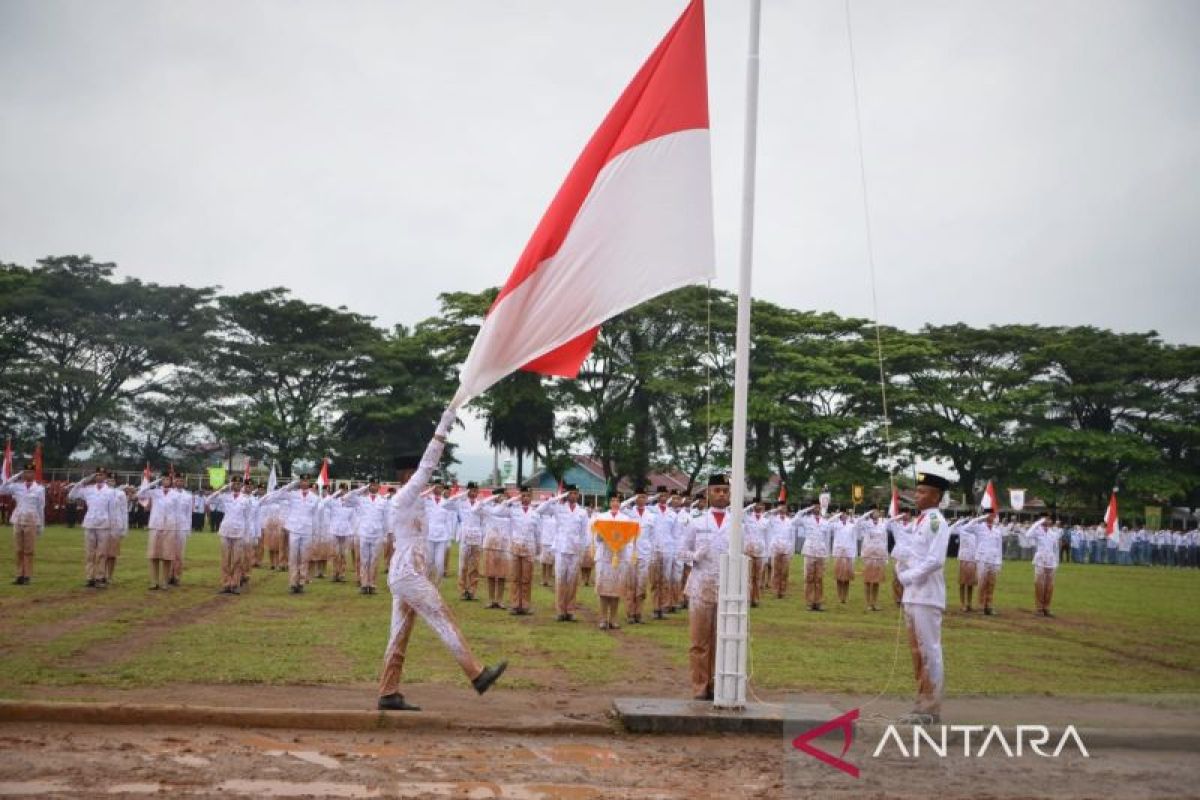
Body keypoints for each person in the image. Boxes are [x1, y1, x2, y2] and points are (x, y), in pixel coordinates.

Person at [376, 407, 507, 711]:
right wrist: (444, 425)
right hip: (408, 573)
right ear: (407, 476)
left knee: (399, 634)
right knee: (441, 617)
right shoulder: (404, 497)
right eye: (416, 475)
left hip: (407, 571)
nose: (423, 478)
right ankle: (477, 674)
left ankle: (388, 691)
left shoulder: (414, 500)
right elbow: (427, 465)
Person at [894, 470, 952, 725]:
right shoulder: (920, 522)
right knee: (918, 652)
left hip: (927, 596)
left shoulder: (937, 522)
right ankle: (922, 704)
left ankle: (930, 708)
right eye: (917, 491)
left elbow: (935, 560)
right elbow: (912, 555)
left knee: (929, 651)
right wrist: (901, 565)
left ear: (936, 496)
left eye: (923, 492)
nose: (917, 496)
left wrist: (909, 577)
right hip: (914, 595)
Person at [678, 473, 732, 701]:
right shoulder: (697, 522)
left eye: (725, 490)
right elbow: (681, 552)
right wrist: (694, 556)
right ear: (709, 493)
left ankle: (719, 684)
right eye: (717, 490)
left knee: (724, 639)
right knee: (699, 640)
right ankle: (700, 685)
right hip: (701, 585)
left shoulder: (736, 523)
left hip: (727, 586)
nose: (721, 494)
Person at [261, 473, 321, 594]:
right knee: (293, 556)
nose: (304, 483)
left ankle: (302, 582)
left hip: (307, 530)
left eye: (306, 481)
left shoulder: (315, 498)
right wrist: (290, 485)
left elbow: (315, 516)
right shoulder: (293, 495)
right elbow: (277, 495)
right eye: (302, 481)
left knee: (304, 557)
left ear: (309, 482)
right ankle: (293, 582)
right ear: (300, 482)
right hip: (294, 529)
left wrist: (315, 532)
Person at [539, 484, 590, 622]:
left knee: (572, 581)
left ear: (578, 495)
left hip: (575, 550)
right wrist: (555, 498)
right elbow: (540, 510)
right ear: (567, 494)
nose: (574, 496)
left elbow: (585, 533)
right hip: (561, 549)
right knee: (561, 580)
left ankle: (570, 610)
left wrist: (584, 550)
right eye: (571, 493)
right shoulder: (559, 508)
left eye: (576, 493)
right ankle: (560, 611)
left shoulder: (582, 512)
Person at [68, 469, 115, 588]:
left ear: (105, 476)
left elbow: (112, 510)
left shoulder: (110, 492)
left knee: (101, 553)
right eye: (97, 474)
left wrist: (113, 527)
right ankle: (90, 577)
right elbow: (72, 495)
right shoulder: (88, 490)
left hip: (104, 524)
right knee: (90, 553)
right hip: (90, 523)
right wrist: (84, 481)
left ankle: (100, 577)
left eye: (102, 475)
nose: (99, 476)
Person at [1, 462, 45, 584]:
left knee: (29, 550)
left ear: (34, 474)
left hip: (31, 519)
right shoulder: (17, 486)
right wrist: (16, 476)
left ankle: (27, 576)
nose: (28, 474)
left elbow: (41, 507)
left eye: (30, 472)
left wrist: (41, 525)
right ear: (23, 473)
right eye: (26, 472)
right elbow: (2, 489)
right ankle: (19, 575)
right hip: (18, 519)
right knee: (18, 549)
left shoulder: (39, 489)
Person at [593, 492, 631, 630]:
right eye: (613, 500)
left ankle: (613, 618)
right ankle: (603, 618)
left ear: (620, 503)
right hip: (604, 556)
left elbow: (628, 538)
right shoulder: (601, 517)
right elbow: (597, 538)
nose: (615, 503)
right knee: (604, 589)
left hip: (619, 556)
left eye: (618, 501)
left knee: (616, 589)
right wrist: (604, 533)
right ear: (609, 503)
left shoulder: (626, 519)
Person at [500, 486, 540, 615]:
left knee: (527, 578)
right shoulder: (513, 510)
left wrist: (538, 548)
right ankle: (515, 604)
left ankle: (525, 605)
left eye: (528, 495)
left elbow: (538, 532)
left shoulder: (535, 513)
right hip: (515, 547)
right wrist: (511, 500)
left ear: (531, 497)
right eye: (523, 496)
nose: (525, 498)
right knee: (515, 577)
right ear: (519, 497)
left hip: (529, 547)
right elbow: (497, 511)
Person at [345, 477, 388, 594]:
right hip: (364, 533)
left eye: (375, 485)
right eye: (371, 485)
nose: (373, 487)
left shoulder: (383, 501)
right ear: (369, 486)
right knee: (364, 560)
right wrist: (362, 489)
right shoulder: (362, 500)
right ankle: (364, 584)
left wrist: (385, 535)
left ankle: (372, 585)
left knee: (374, 560)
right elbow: (347, 497)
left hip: (377, 534)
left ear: (379, 487)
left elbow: (386, 520)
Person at [209, 478, 252, 594]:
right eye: (234, 483)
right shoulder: (225, 496)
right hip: (225, 531)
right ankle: (226, 583)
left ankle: (235, 583)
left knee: (237, 560)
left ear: (241, 485)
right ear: (231, 484)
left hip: (239, 532)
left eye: (239, 484)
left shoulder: (246, 499)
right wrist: (223, 489)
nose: (236, 485)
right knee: (225, 559)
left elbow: (248, 518)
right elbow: (209, 500)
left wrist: (247, 535)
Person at [620, 488, 654, 623]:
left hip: (645, 553)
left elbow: (653, 536)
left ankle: (639, 613)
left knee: (641, 584)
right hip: (630, 551)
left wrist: (651, 553)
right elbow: (621, 506)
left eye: (644, 497)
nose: (641, 500)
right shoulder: (628, 513)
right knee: (630, 584)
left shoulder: (651, 516)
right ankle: (630, 613)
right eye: (639, 497)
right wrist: (632, 499)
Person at [480, 489, 512, 609]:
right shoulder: (489, 508)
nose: (502, 498)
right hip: (491, 544)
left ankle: (500, 600)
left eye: (504, 495)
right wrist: (493, 498)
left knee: (502, 575)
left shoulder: (509, 510)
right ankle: (491, 599)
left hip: (504, 545)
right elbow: (480, 506)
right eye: (500, 496)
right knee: (491, 574)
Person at [971, 511, 1004, 616]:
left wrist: (999, 562)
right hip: (982, 559)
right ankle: (980, 606)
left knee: (991, 584)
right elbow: (967, 527)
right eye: (989, 515)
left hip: (993, 559)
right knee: (982, 583)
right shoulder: (979, 527)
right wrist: (980, 518)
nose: (992, 517)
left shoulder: (997, 530)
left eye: (993, 515)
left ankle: (988, 606)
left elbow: (999, 547)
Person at [857, 508, 888, 612]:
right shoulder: (866, 523)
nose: (877, 513)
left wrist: (885, 556)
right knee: (868, 580)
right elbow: (858, 521)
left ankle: (874, 603)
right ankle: (868, 603)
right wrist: (868, 512)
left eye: (878, 512)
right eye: (874, 512)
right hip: (868, 554)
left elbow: (885, 540)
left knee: (876, 581)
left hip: (879, 554)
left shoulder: (883, 524)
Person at [1027, 515, 1059, 617]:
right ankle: (1039, 608)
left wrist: (1056, 562)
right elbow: (1028, 534)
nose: (1047, 521)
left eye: (1049, 519)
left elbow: (1056, 549)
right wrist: (1038, 522)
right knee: (1039, 585)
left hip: (1051, 561)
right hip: (1040, 560)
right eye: (1045, 519)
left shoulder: (1053, 534)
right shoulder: (1037, 531)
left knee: (1049, 586)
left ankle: (1047, 608)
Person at [799, 506, 827, 611]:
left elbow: (827, 537)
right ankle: (809, 602)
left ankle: (818, 602)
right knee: (809, 578)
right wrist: (807, 508)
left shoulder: (825, 521)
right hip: (809, 551)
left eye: (818, 507)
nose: (817, 509)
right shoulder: (806, 520)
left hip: (820, 552)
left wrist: (826, 553)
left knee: (819, 579)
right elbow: (796, 518)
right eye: (815, 507)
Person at [830, 509, 857, 605]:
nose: (844, 515)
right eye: (842, 514)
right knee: (839, 577)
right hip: (838, 552)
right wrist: (837, 515)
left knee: (847, 578)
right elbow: (829, 521)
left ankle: (844, 597)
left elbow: (854, 540)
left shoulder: (851, 525)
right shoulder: (836, 525)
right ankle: (839, 596)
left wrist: (854, 554)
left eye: (845, 514)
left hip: (849, 553)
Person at [954, 514, 979, 613]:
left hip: (973, 559)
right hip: (964, 558)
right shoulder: (962, 529)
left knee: (971, 584)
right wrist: (962, 519)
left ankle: (969, 604)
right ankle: (962, 604)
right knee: (962, 582)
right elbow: (955, 526)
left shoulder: (976, 533)